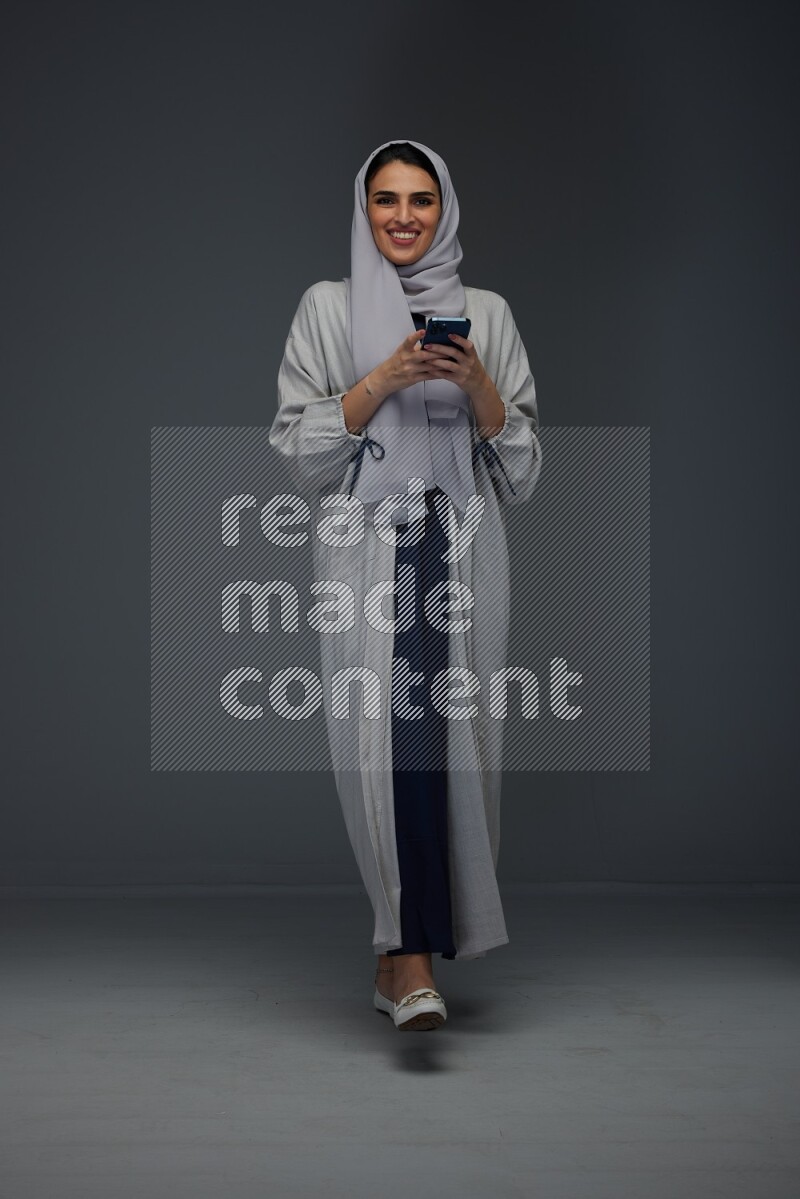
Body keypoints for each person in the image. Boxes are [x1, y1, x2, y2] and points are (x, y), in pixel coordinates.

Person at [269, 139, 542, 1031]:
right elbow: (300, 453)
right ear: (364, 208)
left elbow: (524, 468)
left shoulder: (487, 313)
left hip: (459, 549)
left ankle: (403, 965)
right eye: (385, 200)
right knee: (381, 752)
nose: (403, 218)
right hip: (366, 552)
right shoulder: (328, 307)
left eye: (421, 200)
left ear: (445, 208)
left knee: (453, 751)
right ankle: (407, 955)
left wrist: (477, 388)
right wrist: (385, 375)